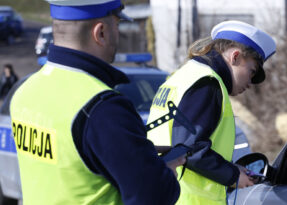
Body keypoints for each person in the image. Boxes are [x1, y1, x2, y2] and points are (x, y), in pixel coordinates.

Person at [10, 0, 183, 204]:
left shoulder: (25, 91)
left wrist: (133, 150)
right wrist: (167, 169)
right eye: (117, 25)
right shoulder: (103, 108)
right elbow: (155, 195)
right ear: (100, 32)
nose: (118, 34)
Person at [147, 20, 276, 204]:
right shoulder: (207, 84)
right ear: (236, 57)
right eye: (251, 71)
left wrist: (231, 169)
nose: (250, 83)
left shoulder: (183, 76)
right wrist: (232, 175)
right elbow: (190, 148)